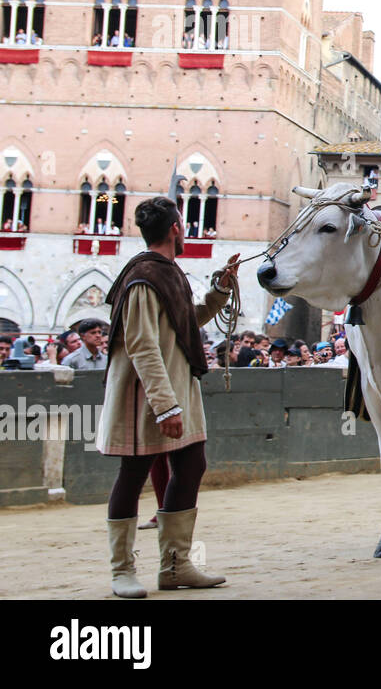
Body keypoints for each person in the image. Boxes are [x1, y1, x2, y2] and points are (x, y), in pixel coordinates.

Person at [96, 196, 240, 598]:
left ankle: (175, 566)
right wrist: (166, 406)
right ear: (176, 228)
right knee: (133, 474)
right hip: (147, 395)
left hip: (175, 389)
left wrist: (218, 291)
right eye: (183, 224)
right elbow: (142, 345)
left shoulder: (168, 273)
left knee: (192, 464)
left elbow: (185, 321)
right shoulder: (144, 275)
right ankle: (122, 571)